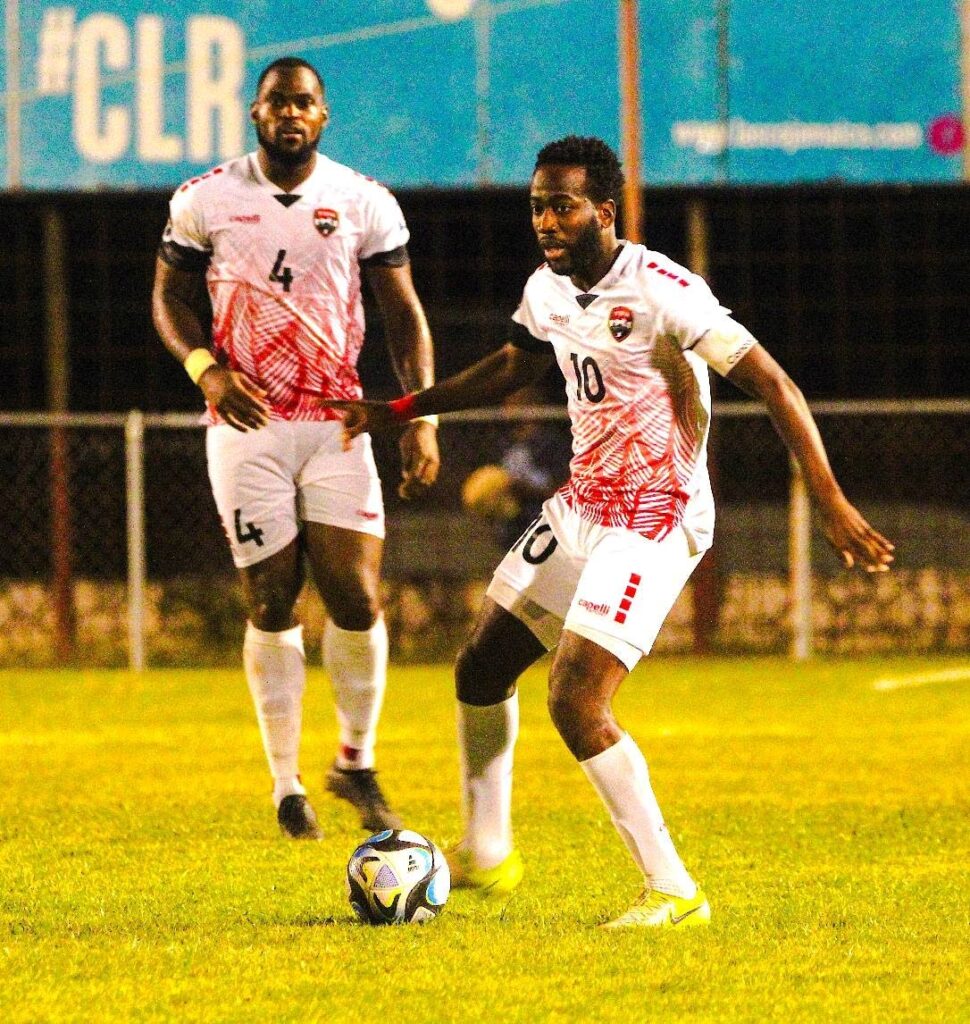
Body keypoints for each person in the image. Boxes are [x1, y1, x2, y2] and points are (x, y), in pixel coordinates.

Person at [322, 136, 894, 926]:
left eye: (562, 205)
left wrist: (827, 498)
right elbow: (511, 367)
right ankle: (487, 851)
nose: (546, 221)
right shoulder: (548, 289)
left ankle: (675, 890)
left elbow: (773, 382)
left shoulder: (664, 288)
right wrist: (400, 409)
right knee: (481, 667)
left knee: (576, 699)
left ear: (604, 211)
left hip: (655, 518)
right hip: (584, 506)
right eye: (536, 206)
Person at [151, 57, 439, 841]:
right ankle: (286, 786)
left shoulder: (362, 201)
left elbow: (404, 314)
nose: (290, 113)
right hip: (248, 428)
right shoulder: (205, 197)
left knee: (357, 595)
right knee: (272, 602)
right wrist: (205, 370)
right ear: (254, 111)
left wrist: (419, 416)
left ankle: (356, 761)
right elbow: (168, 298)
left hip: (339, 422)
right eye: (278, 100)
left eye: (304, 102)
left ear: (323, 115)